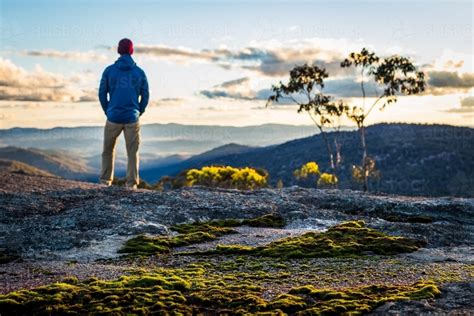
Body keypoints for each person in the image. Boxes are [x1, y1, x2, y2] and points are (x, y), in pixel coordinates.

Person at [98, 38, 149, 189]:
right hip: (132, 118)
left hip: (113, 117)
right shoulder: (139, 73)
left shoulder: (109, 71)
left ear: (119, 50)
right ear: (131, 51)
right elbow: (145, 95)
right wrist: (139, 110)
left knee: (108, 150)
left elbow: (102, 93)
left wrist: (108, 110)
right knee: (133, 153)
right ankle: (131, 184)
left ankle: (105, 181)